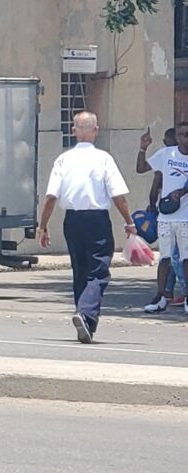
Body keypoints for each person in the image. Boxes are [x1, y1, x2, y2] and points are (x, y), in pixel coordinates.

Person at [38, 111, 134, 344]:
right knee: (99, 270)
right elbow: (118, 195)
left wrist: (43, 226)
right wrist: (129, 221)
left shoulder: (63, 159)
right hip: (97, 220)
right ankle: (86, 313)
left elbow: (51, 197)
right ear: (96, 130)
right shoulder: (103, 159)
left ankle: (86, 322)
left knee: (80, 269)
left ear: (73, 131)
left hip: (72, 220)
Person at [138, 122, 188, 314]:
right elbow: (141, 168)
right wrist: (143, 148)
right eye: (183, 135)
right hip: (166, 217)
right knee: (165, 258)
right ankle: (160, 296)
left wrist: (182, 191)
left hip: (185, 217)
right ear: (177, 138)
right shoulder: (166, 155)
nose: (186, 139)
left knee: (185, 258)